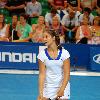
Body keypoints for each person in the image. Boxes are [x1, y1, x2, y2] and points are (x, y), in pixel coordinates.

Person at [37, 29, 70, 100]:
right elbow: (42, 75)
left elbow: (67, 73)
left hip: (63, 85)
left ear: (53, 38)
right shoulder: (42, 55)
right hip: (48, 87)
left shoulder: (65, 53)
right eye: (43, 37)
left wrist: (62, 89)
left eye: (46, 37)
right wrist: (40, 93)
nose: (44, 39)